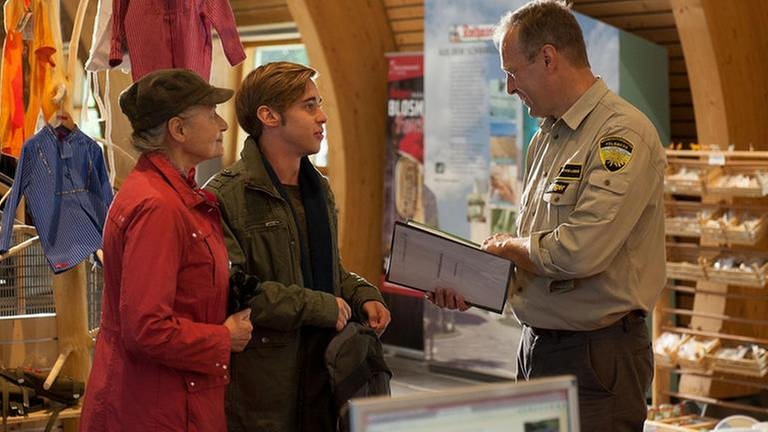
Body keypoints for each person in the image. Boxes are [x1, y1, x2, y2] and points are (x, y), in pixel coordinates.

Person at [430, 1, 666, 431]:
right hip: (536, 345)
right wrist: (474, 284)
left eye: (512, 72)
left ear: (548, 57)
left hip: (596, 357)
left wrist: (505, 247)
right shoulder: (547, 138)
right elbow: (536, 253)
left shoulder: (621, 134)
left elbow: (580, 251)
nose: (508, 88)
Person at [205, 61, 391, 432]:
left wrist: (362, 294)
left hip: (326, 377)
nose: (322, 116)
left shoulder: (317, 189)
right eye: (309, 106)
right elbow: (232, 292)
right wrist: (320, 306)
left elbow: (328, 268)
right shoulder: (225, 195)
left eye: (319, 103)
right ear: (269, 115)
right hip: (266, 390)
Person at [80, 69, 253, 432]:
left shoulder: (170, 195)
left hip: (165, 399)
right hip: (158, 408)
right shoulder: (159, 206)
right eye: (210, 113)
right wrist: (224, 337)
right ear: (178, 130)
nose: (222, 124)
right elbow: (148, 329)